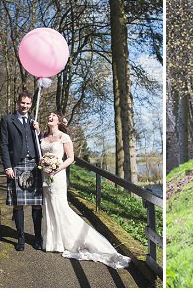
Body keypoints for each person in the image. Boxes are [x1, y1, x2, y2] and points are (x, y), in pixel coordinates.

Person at [40, 111, 130, 269]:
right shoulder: (43, 137)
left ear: (59, 121)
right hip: (44, 177)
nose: (50, 116)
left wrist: (56, 167)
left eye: (54, 115)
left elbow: (71, 158)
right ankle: (52, 241)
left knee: (61, 208)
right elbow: (40, 154)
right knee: (48, 207)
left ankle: (67, 241)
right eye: (49, 115)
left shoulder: (64, 137)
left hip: (58, 176)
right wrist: (43, 163)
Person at [0, 91, 43, 251]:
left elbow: (41, 143)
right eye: (22, 103)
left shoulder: (33, 121)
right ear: (17, 103)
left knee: (37, 204)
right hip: (17, 165)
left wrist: (38, 132)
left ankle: (38, 237)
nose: (25, 106)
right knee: (18, 204)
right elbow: (3, 144)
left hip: (34, 165)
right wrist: (7, 166)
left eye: (28, 103)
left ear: (31, 104)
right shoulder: (7, 120)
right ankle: (21, 238)